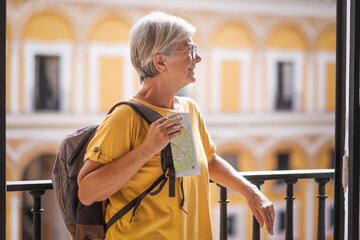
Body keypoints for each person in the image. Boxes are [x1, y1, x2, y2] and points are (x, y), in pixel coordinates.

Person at [77, 11, 275, 239]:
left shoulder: (188, 109)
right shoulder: (125, 117)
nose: (197, 59)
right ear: (160, 61)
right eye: (190, 51)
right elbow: (87, 192)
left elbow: (208, 162)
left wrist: (250, 191)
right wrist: (146, 150)